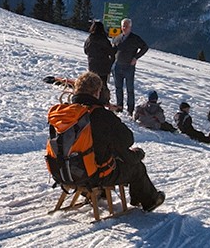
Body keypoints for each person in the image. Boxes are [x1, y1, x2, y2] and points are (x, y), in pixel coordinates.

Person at [51, 72, 165, 212]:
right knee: (137, 167)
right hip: (94, 175)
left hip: (63, 171)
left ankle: (94, 193)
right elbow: (127, 139)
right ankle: (149, 200)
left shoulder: (65, 112)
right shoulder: (101, 114)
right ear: (96, 92)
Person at [111, 18, 149, 116]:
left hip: (129, 67)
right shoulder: (117, 38)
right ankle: (119, 106)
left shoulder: (135, 38)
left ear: (130, 27)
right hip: (117, 66)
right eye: (123, 26)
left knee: (130, 89)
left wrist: (136, 57)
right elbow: (113, 50)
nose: (124, 28)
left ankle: (130, 109)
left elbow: (145, 47)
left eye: (126, 26)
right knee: (118, 88)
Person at [83, 20, 115, 107]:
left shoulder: (89, 39)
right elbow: (111, 52)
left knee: (93, 84)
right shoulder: (104, 40)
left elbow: (86, 51)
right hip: (104, 66)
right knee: (103, 84)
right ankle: (104, 101)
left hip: (92, 65)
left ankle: (93, 100)